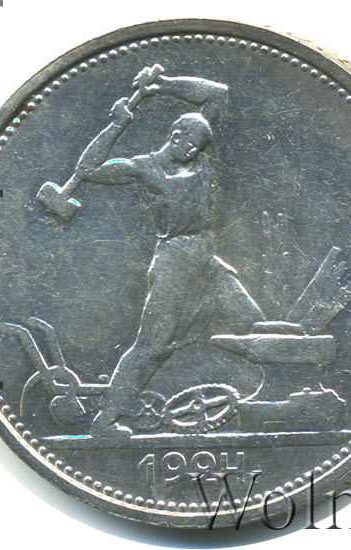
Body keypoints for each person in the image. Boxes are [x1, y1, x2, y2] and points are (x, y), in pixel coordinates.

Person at [75, 65, 264, 436]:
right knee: (153, 346)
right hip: (173, 262)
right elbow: (88, 169)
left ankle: (271, 403)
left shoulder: (203, 157)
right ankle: (106, 420)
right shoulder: (143, 168)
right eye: (189, 143)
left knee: (255, 327)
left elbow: (217, 93)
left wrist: (161, 85)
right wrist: (116, 125)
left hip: (207, 260)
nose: (194, 150)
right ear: (175, 135)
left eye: (200, 147)